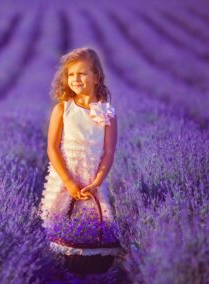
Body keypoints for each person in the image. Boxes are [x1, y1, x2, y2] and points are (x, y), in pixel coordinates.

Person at [38, 47, 121, 263]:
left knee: (93, 227)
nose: (76, 79)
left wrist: (96, 182)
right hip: (66, 177)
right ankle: (58, 269)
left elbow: (109, 152)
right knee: (58, 223)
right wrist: (68, 181)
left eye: (82, 73)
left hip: (92, 180)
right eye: (71, 74)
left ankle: (90, 271)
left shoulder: (107, 113)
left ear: (96, 76)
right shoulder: (62, 109)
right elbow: (52, 148)